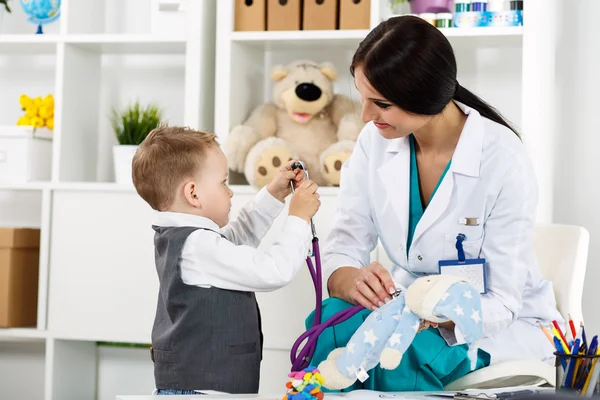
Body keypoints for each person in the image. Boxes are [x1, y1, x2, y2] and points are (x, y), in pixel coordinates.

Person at [307, 16, 563, 391]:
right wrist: (352, 281)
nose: (365, 116)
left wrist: (435, 309)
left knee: (405, 356)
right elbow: (346, 243)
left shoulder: (503, 159)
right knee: (328, 326)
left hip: (487, 321)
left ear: (426, 97)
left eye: (380, 104)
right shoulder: (374, 142)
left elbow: (503, 303)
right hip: (402, 304)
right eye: (363, 97)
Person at [131, 125, 321, 395]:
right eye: (223, 182)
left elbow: (237, 238)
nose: (230, 192)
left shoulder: (191, 241)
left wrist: (274, 194)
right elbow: (273, 271)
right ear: (193, 194)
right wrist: (298, 218)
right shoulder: (198, 246)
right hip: (204, 390)